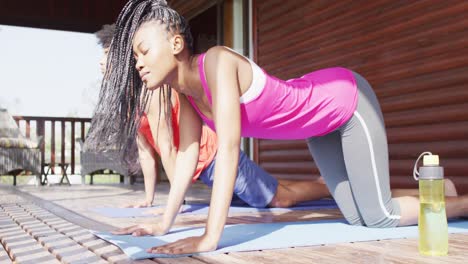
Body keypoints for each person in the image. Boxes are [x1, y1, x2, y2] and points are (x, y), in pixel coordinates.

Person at [90, 0, 467, 255]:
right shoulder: (186, 95)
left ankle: (462, 203)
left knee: (379, 215)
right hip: (319, 128)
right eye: (135, 56)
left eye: (143, 51)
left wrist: (210, 237)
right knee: (359, 217)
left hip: (346, 102)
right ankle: (440, 193)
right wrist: (162, 224)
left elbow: (228, 150)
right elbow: (187, 157)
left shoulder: (217, 63)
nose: (137, 63)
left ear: (175, 43)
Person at [94, 23, 331, 213]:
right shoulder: (130, 102)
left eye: (107, 54)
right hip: (204, 168)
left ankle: (327, 187)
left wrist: (174, 205)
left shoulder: (151, 93)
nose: (102, 62)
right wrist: (148, 198)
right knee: (268, 192)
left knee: (279, 199)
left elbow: (167, 148)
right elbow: (146, 152)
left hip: (214, 157)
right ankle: (323, 183)